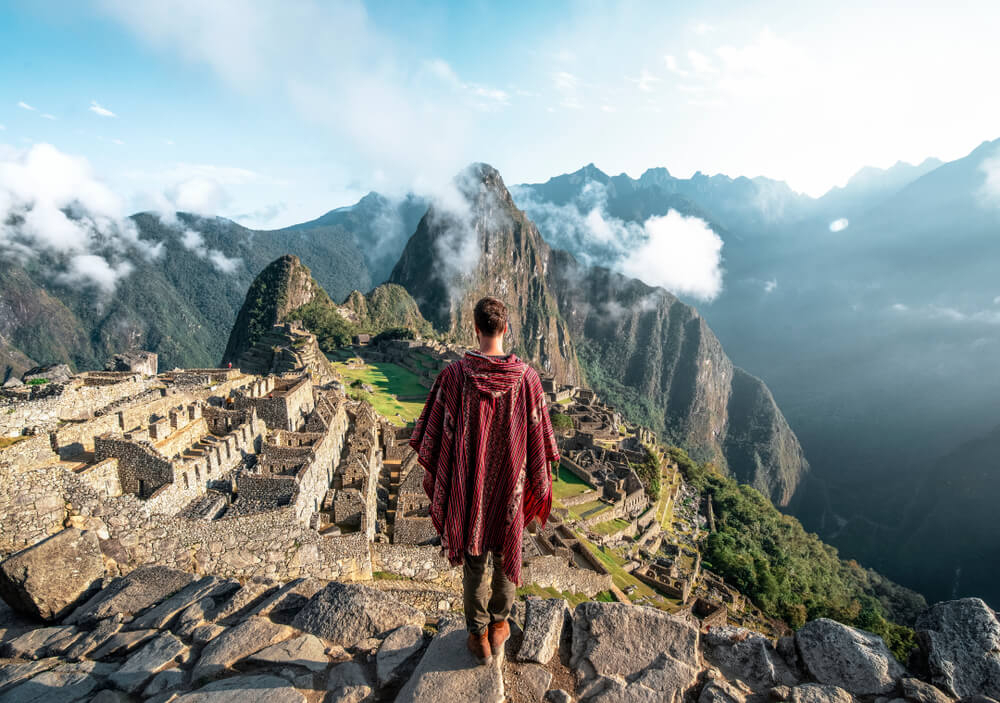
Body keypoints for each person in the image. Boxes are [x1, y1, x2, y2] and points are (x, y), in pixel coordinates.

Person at [409, 296, 559, 665]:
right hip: (511, 487)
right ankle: (499, 624)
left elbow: (432, 438)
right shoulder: (528, 381)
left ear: (475, 328)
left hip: (468, 489)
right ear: (505, 329)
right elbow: (540, 441)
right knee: (509, 550)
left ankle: (478, 636)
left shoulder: (453, 377)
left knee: (474, 561)